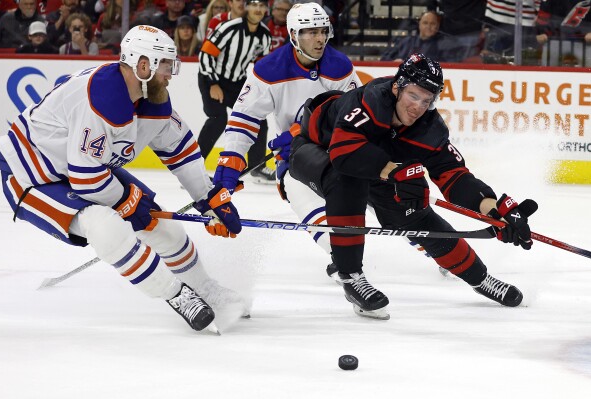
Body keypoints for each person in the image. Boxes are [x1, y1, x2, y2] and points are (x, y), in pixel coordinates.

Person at [0, 25, 246, 332]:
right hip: (32, 173)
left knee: (158, 223)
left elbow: (180, 150)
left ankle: (206, 288)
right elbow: (87, 180)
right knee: (103, 225)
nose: (171, 74)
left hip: (83, 166)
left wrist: (209, 199)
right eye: (166, 66)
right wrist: (128, 203)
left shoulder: (152, 99)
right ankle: (177, 295)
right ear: (144, 66)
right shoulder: (101, 99)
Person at [288, 53, 537, 319]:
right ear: (397, 88)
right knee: (347, 181)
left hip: (376, 165)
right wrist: (395, 172)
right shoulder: (367, 101)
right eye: (413, 96)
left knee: (414, 208)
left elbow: (454, 175)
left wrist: (492, 209)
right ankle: (350, 276)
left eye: (427, 100)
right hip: (317, 151)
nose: (418, 107)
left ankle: (480, 278)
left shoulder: (430, 128)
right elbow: (343, 152)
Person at [213, 2, 359, 258]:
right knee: (299, 191)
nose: (320, 38)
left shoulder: (340, 66)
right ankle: (342, 258)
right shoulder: (269, 70)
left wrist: (304, 133)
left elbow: (356, 116)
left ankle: (436, 250)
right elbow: (244, 118)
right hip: (296, 157)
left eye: (323, 31)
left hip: (338, 148)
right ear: (293, 35)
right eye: (311, 32)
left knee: (389, 198)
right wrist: (232, 159)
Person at [197, 0, 274, 181]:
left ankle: (257, 166)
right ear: (246, 8)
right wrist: (213, 83)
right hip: (211, 77)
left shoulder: (265, 35)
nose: (258, 9)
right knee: (217, 118)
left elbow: (262, 66)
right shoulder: (229, 28)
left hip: (236, 82)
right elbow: (206, 54)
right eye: (254, 4)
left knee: (258, 119)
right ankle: (194, 169)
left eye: (261, 6)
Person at [380, 10, 445, 62]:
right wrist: (394, 62)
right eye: (425, 23)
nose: (428, 26)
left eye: (432, 23)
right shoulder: (405, 42)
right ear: (419, 24)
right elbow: (384, 58)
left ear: (438, 26)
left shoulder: (443, 45)